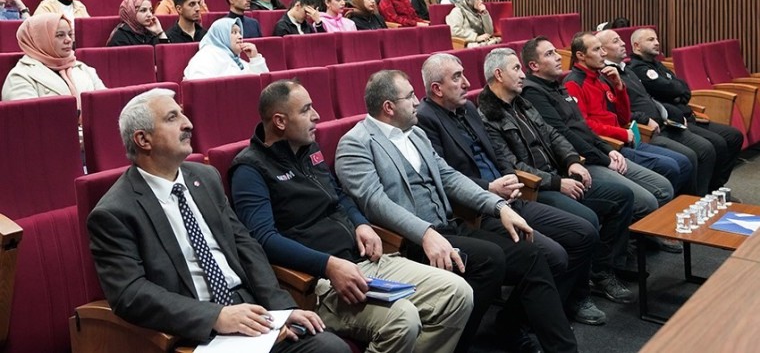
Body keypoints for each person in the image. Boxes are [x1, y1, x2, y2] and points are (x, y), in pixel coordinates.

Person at [87, 88, 349, 352]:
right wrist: (215, 316)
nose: (188, 124)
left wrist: (282, 309)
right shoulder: (115, 212)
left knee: (330, 348)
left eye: (182, 114)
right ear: (143, 139)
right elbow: (130, 293)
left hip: (250, 311)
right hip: (194, 330)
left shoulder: (205, 178)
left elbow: (244, 244)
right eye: (172, 118)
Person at [335, 70, 579, 353]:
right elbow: (376, 203)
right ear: (388, 107)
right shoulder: (355, 143)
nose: (417, 102)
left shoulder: (415, 133)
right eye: (410, 96)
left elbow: (449, 177)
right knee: (490, 259)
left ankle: (557, 348)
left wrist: (498, 206)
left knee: (532, 255)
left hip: (450, 226)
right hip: (409, 242)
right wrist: (425, 233)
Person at [230, 79, 474, 353]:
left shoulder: (309, 150)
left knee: (458, 294)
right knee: (402, 318)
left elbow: (339, 195)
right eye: (306, 110)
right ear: (279, 121)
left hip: (364, 260)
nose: (316, 116)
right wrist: (328, 265)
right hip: (321, 282)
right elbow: (263, 239)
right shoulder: (249, 169)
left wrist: (361, 223)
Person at [416, 53, 605, 325]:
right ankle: (514, 323)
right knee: (554, 256)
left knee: (584, 233)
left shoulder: (468, 109)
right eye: (457, 77)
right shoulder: (425, 121)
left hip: (511, 196)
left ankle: (546, 309)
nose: (468, 83)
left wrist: (510, 178)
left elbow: (498, 155)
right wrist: (490, 188)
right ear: (437, 89)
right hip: (478, 209)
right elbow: (445, 177)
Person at [476, 48, 638, 307]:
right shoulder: (487, 116)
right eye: (516, 69)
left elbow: (552, 134)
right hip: (536, 188)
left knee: (622, 196)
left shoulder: (521, 102)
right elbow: (511, 166)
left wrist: (572, 160)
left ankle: (601, 271)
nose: (523, 75)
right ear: (498, 74)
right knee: (587, 220)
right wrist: (557, 183)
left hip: (558, 175)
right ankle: (577, 296)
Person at [518, 37, 686, 258]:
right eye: (550, 54)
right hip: (579, 161)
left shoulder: (558, 86)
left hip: (599, 150)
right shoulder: (537, 91)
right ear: (534, 65)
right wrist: (605, 156)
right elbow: (563, 134)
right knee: (650, 196)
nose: (559, 57)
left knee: (664, 182)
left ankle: (634, 242)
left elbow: (585, 127)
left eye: (556, 52)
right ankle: (616, 257)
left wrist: (607, 149)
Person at [564, 31, 690, 196]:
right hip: (610, 145)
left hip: (625, 139)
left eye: (602, 48)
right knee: (670, 167)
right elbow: (584, 125)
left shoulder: (600, 77)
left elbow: (623, 117)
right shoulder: (573, 83)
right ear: (581, 55)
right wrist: (621, 133)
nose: (603, 53)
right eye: (596, 50)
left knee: (683, 162)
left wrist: (619, 87)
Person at [628, 28, 743, 192]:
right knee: (714, 144)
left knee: (734, 136)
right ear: (637, 46)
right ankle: (703, 194)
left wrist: (678, 93)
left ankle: (716, 187)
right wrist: (677, 93)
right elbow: (669, 89)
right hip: (673, 120)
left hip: (687, 115)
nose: (657, 43)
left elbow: (683, 87)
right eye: (650, 40)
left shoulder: (657, 64)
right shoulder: (638, 69)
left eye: (656, 39)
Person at [597, 29, 705, 195]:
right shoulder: (605, 75)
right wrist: (645, 120)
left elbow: (650, 97)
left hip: (663, 122)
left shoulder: (626, 69)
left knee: (709, 146)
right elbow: (615, 113)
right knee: (688, 157)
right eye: (616, 41)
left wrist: (671, 113)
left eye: (621, 40)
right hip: (644, 131)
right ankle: (687, 202)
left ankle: (701, 197)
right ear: (603, 50)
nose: (623, 43)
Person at [2, 13, 105, 103]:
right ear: (40, 40)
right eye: (60, 35)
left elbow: (105, 105)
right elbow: (28, 116)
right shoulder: (20, 76)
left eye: (70, 34)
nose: (69, 40)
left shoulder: (84, 68)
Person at [184, 17, 267, 79]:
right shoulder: (206, 56)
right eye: (234, 32)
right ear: (221, 35)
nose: (240, 36)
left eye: (240, 32)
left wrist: (255, 59)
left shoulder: (235, 59)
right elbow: (199, 86)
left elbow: (261, 83)